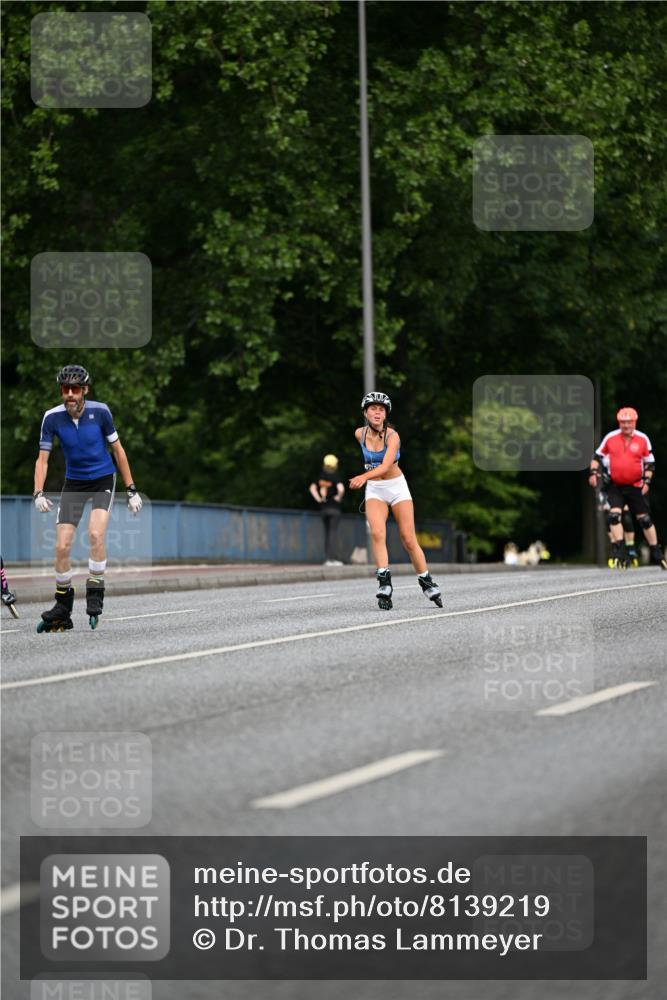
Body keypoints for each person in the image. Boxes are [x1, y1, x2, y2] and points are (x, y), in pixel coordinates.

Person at [33, 365, 143, 631]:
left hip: (103, 479)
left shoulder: (101, 412)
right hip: (74, 483)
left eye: (75, 389)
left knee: (95, 534)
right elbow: (43, 460)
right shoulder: (52, 418)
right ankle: (62, 605)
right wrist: (37, 491)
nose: (69, 394)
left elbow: (118, 450)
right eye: (64, 389)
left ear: (84, 390)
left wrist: (131, 489)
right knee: (61, 546)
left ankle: (95, 590)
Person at [349, 391, 442, 610]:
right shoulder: (359, 434)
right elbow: (374, 469)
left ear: (386, 413)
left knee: (408, 538)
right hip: (375, 490)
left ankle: (426, 581)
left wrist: (363, 476)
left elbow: (385, 466)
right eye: (373, 408)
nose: (377, 412)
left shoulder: (393, 436)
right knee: (377, 533)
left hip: (396, 487)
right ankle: (384, 583)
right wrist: (368, 479)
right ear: (365, 412)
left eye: (381, 409)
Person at [589, 406, 666, 570]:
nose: (626, 425)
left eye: (629, 422)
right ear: (619, 422)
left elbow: (650, 464)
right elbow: (597, 457)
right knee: (614, 516)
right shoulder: (610, 438)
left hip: (636, 486)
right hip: (616, 486)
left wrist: (647, 482)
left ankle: (656, 552)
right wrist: (593, 472)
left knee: (644, 519)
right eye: (623, 422)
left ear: (634, 422)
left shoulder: (642, 439)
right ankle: (619, 549)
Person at [309, 454, 345, 565]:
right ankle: (333, 559)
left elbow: (312, 488)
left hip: (324, 508)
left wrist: (319, 499)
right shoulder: (335, 476)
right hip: (334, 508)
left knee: (327, 532)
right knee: (333, 533)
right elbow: (341, 488)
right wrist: (338, 497)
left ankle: (328, 559)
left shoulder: (321, 476)